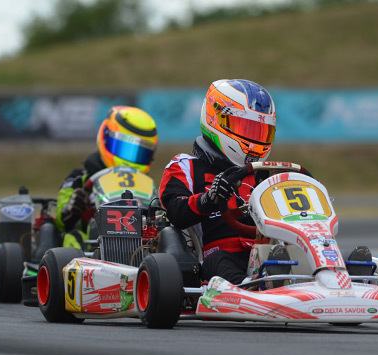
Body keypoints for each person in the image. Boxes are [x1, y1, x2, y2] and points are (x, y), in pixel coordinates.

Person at [159, 79, 276, 285]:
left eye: (260, 131)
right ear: (216, 120)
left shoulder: (264, 175)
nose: (253, 139)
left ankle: (333, 278)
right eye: (246, 128)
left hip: (267, 254)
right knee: (221, 261)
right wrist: (209, 198)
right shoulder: (186, 166)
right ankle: (251, 292)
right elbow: (175, 211)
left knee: (290, 255)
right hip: (217, 257)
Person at [55, 106, 159, 249]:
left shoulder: (148, 187)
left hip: (142, 245)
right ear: (105, 138)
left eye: (139, 153)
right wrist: (71, 209)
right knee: (71, 237)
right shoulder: (79, 179)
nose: (130, 158)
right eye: (124, 148)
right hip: (91, 248)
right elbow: (60, 223)